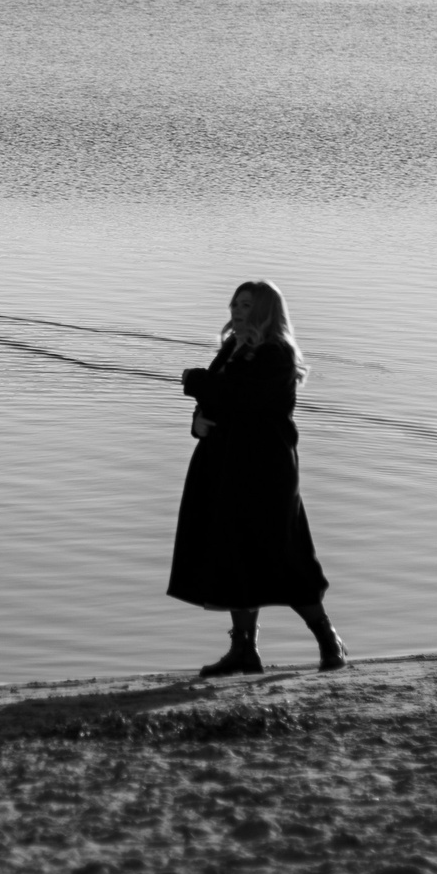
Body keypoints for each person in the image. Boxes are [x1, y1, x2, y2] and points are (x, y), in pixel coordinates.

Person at [168, 279, 347, 677]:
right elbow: (215, 402)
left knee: (285, 556)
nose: (236, 310)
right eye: (235, 303)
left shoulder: (276, 355)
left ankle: (327, 640)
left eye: (246, 305)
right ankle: (244, 650)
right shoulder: (233, 349)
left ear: (264, 311)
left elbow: (237, 397)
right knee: (233, 555)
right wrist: (197, 422)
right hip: (224, 464)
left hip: (266, 471)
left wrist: (195, 380)